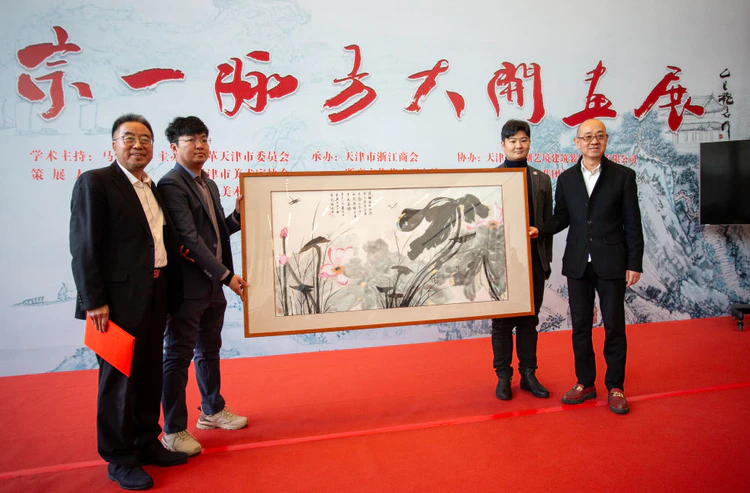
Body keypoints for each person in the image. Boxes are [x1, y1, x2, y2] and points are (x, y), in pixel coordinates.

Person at [70, 114, 189, 490]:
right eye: (129, 138)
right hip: (115, 303)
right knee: (118, 382)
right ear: (114, 144)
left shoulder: (152, 187)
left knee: (149, 373)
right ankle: (119, 458)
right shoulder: (96, 182)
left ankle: (145, 441)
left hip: (154, 293)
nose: (138, 145)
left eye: (146, 139)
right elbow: (84, 245)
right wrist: (94, 301)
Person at [532, 118, 644, 415]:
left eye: (599, 136)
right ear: (577, 143)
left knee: (614, 326)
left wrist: (634, 263)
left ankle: (615, 386)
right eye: (587, 137)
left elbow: (633, 223)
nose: (593, 141)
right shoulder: (567, 178)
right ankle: (585, 382)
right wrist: (540, 229)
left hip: (612, 263)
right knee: (580, 327)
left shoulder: (623, 176)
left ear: (606, 140)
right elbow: (562, 217)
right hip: (578, 263)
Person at [158, 116, 249, 457]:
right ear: (174, 147)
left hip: (212, 285)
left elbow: (215, 233)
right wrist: (227, 276)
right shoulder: (171, 185)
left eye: (203, 139)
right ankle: (173, 430)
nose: (199, 145)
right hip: (187, 287)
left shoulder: (207, 183)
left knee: (209, 350)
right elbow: (189, 239)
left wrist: (237, 218)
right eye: (190, 140)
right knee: (177, 356)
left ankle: (212, 411)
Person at [492, 119, 553, 400]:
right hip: (501, 265)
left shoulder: (541, 179)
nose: (518, 145)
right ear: (503, 145)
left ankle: (529, 374)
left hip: (533, 261)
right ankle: (503, 377)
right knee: (502, 324)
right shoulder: (490, 178)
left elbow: (548, 223)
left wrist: (545, 260)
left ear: (529, 143)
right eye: (513, 140)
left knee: (530, 321)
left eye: (523, 140)